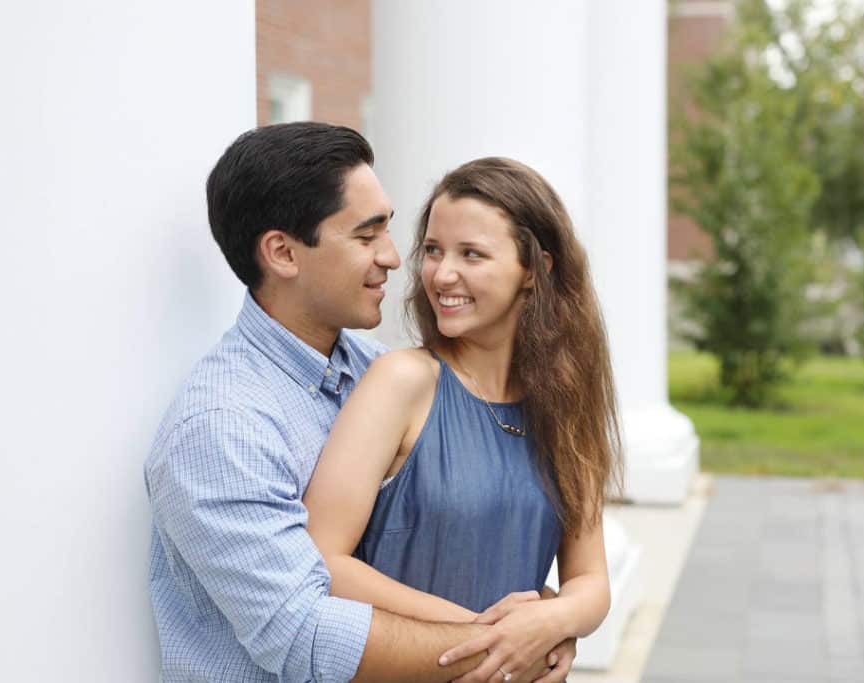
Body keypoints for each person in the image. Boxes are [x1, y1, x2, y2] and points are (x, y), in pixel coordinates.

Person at [144, 123, 574, 682]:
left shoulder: (383, 372)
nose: (395, 258)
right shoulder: (222, 430)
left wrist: (546, 618)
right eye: (366, 236)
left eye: (389, 231)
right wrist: (505, 645)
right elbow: (304, 636)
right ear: (282, 253)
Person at [304, 157, 623, 682]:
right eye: (432, 250)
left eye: (470, 254)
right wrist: (493, 637)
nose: (440, 274)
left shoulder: (566, 403)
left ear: (534, 270)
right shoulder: (401, 381)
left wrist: (552, 623)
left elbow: (590, 580)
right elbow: (322, 556)